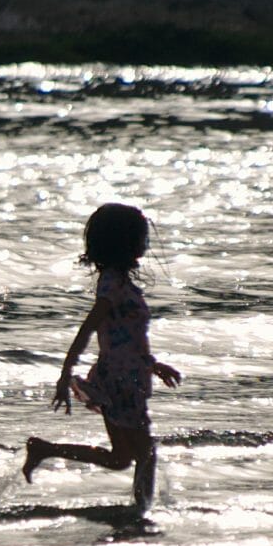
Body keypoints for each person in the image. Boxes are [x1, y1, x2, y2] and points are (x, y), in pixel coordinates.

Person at [24, 201, 181, 510]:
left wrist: (153, 365)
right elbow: (88, 330)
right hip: (120, 381)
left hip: (128, 376)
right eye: (141, 237)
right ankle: (141, 515)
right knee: (145, 452)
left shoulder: (122, 283)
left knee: (121, 458)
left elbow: (126, 338)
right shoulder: (111, 284)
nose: (145, 243)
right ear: (124, 242)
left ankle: (45, 449)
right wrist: (65, 372)